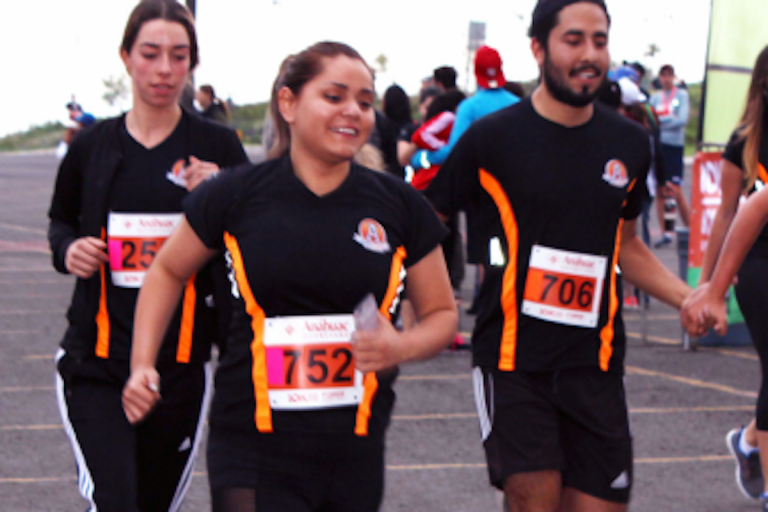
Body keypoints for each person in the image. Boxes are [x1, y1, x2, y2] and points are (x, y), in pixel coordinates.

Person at [122, 41, 458, 512]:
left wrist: (400, 347)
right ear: (289, 103)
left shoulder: (398, 205)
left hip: (354, 447)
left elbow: (442, 314)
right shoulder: (235, 195)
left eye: (365, 101)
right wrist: (142, 364)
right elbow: (167, 271)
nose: (353, 112)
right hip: (251, 443)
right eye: (334, 96)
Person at [424, 1, 692, 510]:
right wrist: (431, 310)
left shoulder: (631, 143)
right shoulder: (493, 138)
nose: (590, 54)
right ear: (538, 49)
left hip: (596, 362)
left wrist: (689, 298)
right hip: (513, 360)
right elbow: (428, 220)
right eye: (574, 40)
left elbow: (627, 243)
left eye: (599, 39)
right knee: (535, 495)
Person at [47, 1, 248, 510]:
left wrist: (223, 192)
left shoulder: (217, 144)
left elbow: (254, 239)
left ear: (191, 63)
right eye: (151, 54)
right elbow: (60, 222)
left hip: (180, 364)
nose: (164, 69)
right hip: (97, 359)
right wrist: (70, 249)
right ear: (126, 56)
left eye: (178, 56)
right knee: (115, 500)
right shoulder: (91, 146)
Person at [687, 45, 768, 507]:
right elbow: (727, 215)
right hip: (758, 263)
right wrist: (707, 283)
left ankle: (749, 440)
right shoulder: (745, 140)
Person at [650, 64, 691, 247]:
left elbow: (681, 120)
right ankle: (666, 231)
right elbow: (650, 120)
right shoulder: (655, 97)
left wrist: (662, 122)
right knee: (661, 190)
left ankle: (690, 227)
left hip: (675, 145)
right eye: (663, 75)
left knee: (676, 190)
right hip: (659, 146)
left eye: (669, 75)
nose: (666, 78)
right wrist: (665, 121)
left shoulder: (681, 95)